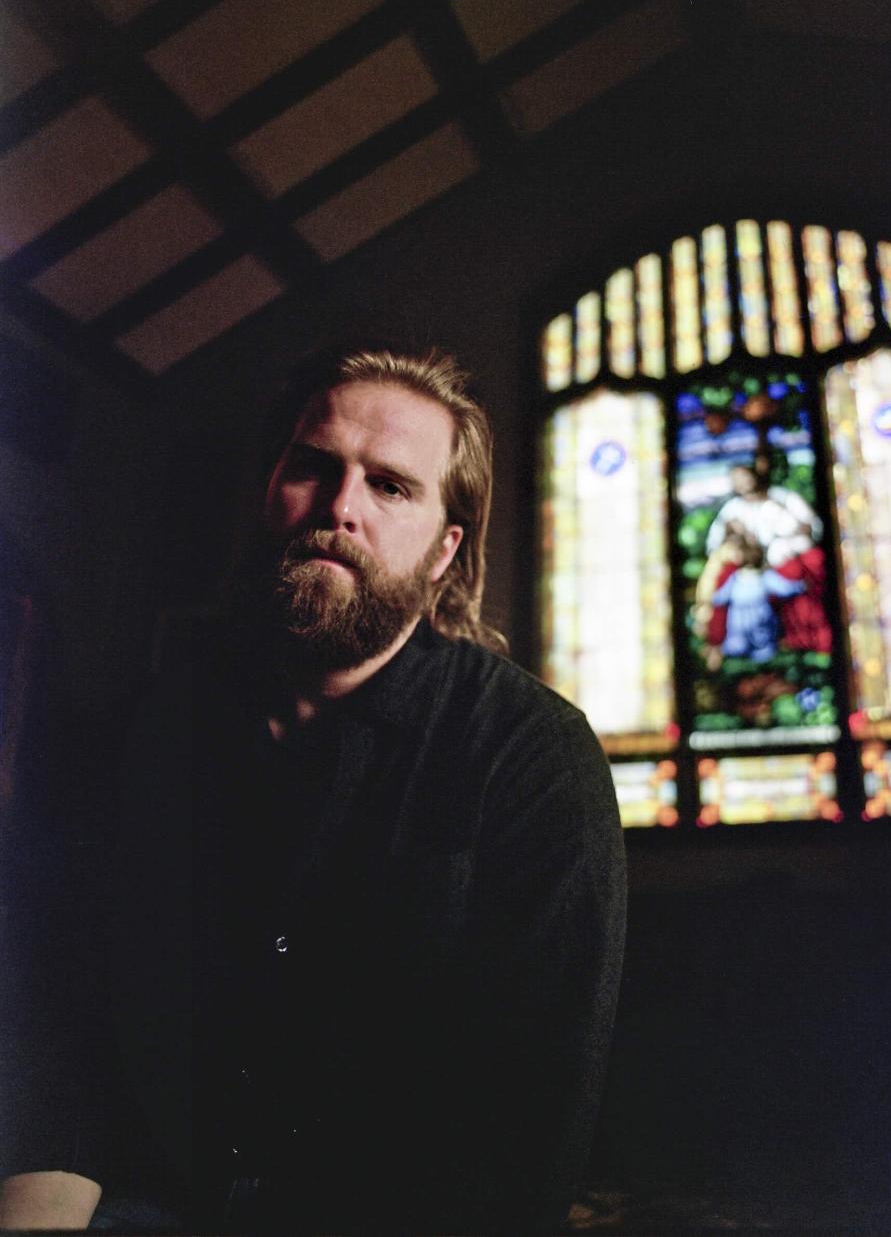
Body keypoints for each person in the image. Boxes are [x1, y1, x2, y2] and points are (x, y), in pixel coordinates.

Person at [0, 349, 627, 1234]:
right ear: (270, 492)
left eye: (391, 487)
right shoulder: (143, 729)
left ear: (446, 549)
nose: (341, 509)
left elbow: (523, 1128)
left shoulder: (534, 759)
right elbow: (58, 1009)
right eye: (313, 468)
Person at [704, 462, 831, 656]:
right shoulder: (732, 509)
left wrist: (789, 537)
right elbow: (716, 542)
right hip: (750, 568)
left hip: (787, 558)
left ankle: (808, 638)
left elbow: (812, 527)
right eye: (737, 480)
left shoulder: (782, 497)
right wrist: (739, 541)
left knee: (806, 569)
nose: (743, 483)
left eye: (745, 476)